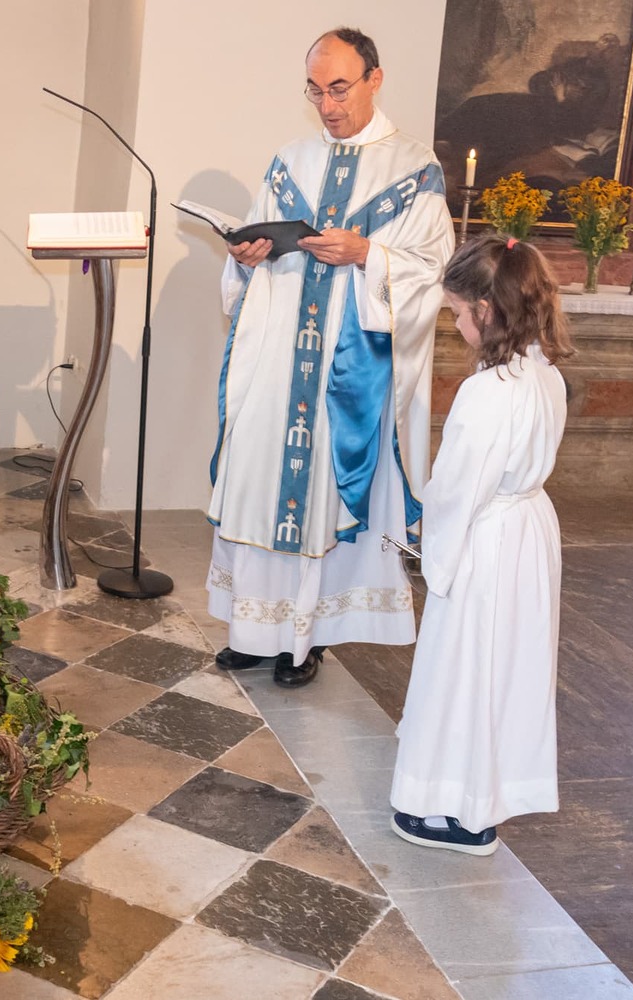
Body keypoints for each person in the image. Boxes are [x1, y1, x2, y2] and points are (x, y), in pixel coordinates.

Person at [207, 27, 454, 688]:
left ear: (375, 79)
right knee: (259, 483)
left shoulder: (415, 169)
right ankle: (253, 630)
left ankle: (304, 638)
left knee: (320, 495)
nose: (327, 105)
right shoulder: (290, 160)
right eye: (315, 91)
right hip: (276, 361)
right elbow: (255, 258)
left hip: (347, 373)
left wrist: (367, 253)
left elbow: (433, 272)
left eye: (339, 89)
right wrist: (246, 257)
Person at [388, 234, 573, 856]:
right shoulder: (545, 374)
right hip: (528, 533)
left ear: (486, 310)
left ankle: (459, 812)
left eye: (457, 312)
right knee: (509, 671)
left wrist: (427, 547)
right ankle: (487, 797)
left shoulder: (487, 391)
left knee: (465, 668)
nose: (455, 323)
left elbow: (457, 488)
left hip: (485, 539)